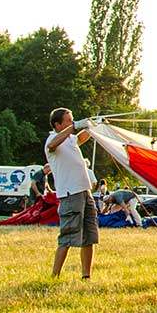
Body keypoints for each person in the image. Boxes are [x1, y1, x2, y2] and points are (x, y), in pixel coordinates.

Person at [44, 108, 98, 279]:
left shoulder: (70, 139)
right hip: (70, 193)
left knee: (89, 236)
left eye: (72, 120)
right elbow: (53, 146)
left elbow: (82, 137)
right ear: (57, 124)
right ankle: (55, 276)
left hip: (84, 190)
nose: (71, 123)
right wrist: (74, 127)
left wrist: (92, 126)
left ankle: (86, 275)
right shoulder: (52, 140)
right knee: (67, 235)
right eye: (68, 121)